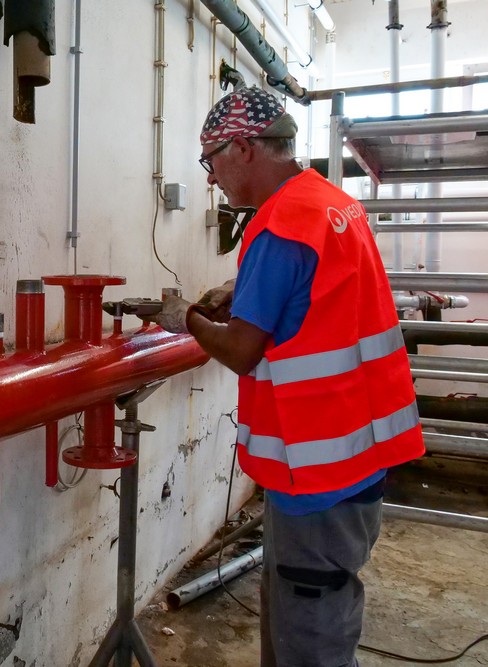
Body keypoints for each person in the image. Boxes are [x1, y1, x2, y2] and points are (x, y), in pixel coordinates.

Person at [155, 86, 425, 667]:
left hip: (317, 469)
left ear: (246, 148)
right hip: (360, 451)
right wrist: (244, 291)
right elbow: (318, 302)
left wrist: (187, 318)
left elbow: (242, 351)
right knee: (297, 603)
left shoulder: (278, 227)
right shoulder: (329, 202)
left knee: (311, 632)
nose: (209, 179)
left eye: (212, 160)